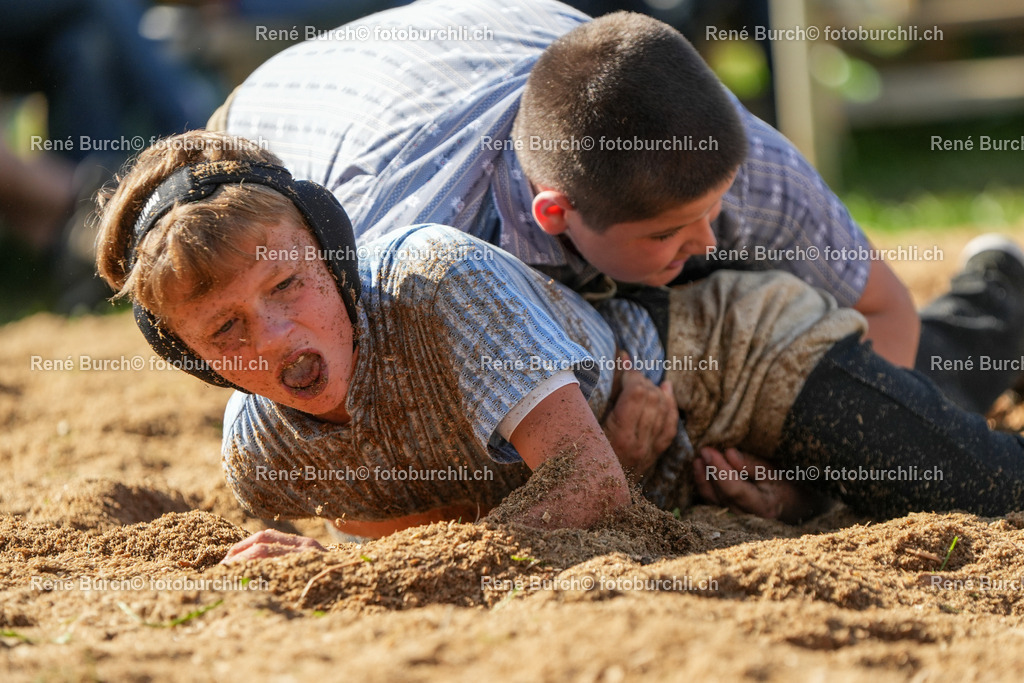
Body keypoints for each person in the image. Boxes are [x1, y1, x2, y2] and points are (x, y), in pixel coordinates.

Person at [95, 131, 1024, 564]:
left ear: (333, 262)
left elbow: (590, 485)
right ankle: (997, 295)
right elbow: (388, 523)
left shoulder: (432, 279)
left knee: (979, 490)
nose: (277, 336)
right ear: (193, 358)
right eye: (227, 330)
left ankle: (1000, 292)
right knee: (904, 426)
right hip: (689, 474)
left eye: (288, 286)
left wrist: (359, 568)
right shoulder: (259, 450)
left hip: (721, 359)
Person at [215, 0, 1024, 417]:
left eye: (713, 208)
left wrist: (803, 477)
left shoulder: (748, 162)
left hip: (495, 40)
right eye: (669, 231)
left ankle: (1002, 295)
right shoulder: (405, 256)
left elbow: (883, 310)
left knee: (850, 391)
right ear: (557, 213)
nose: (708, 237)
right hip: (297, 111)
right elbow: (363, 424)